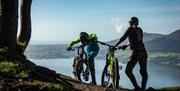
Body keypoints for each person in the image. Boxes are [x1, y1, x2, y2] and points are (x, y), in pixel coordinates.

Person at [113, 17, 148, 90]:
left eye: (130, 22)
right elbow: (137, 40)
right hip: (143, 52)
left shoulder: (130, 29)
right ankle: (143, 88)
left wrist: (114, 46)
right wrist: (127, 45)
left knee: (128, 71)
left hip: (136, 53)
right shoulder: (140, 29)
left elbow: (122, 38)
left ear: (131, 23)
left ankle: (137, 88)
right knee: (143, 72)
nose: (129, 23)